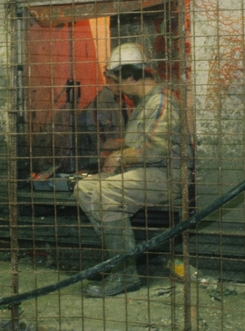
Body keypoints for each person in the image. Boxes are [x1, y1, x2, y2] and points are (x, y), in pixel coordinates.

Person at [73, 42, 187, 297]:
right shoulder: (144, 103)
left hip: (166, 176)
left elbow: (156, 149)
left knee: (107, 192)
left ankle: (125, 275)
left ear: (131, 75)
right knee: (84, 187)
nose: (117, 85)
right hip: (147, 172)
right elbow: (142, 142)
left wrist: (120, 157)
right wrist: (120, 148)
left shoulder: (161, 103)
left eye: (117, 79)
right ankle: (118, 262)